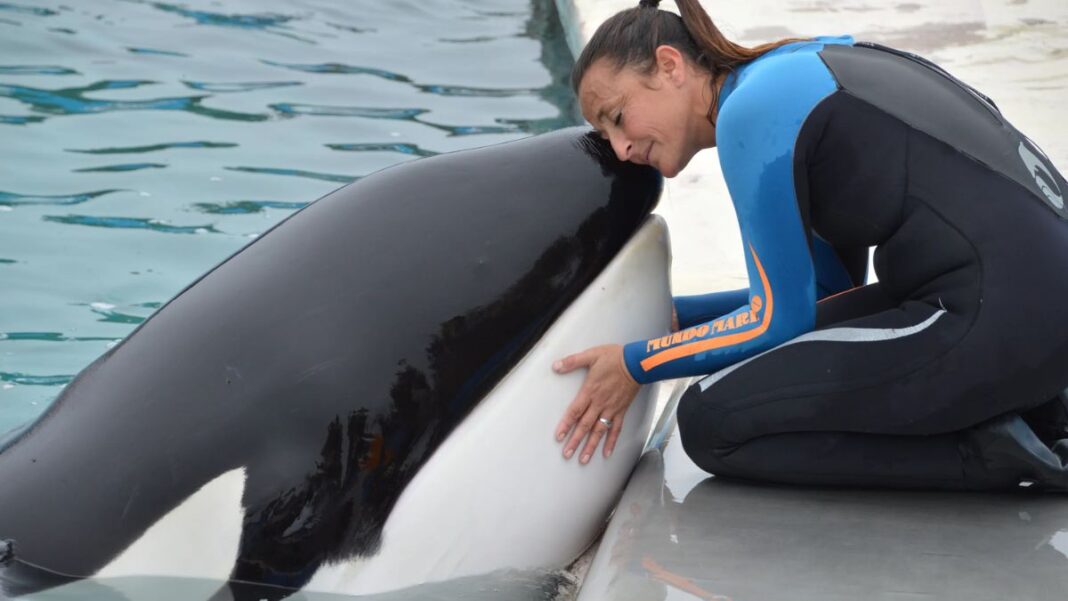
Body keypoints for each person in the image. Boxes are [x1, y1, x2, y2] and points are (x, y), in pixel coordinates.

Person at [552, 0, 1068, 490]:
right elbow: (824, 294)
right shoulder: (789, 75)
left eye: (617, 117)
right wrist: (674, 319)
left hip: (996, 317)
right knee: (743, 379)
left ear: (669, 66)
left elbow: (776, 321)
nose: (620, 148)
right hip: (1025, 311)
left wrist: (637, 363)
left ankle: (988, 452)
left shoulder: (750, 115)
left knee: (712, 420)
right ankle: (1032, 408)